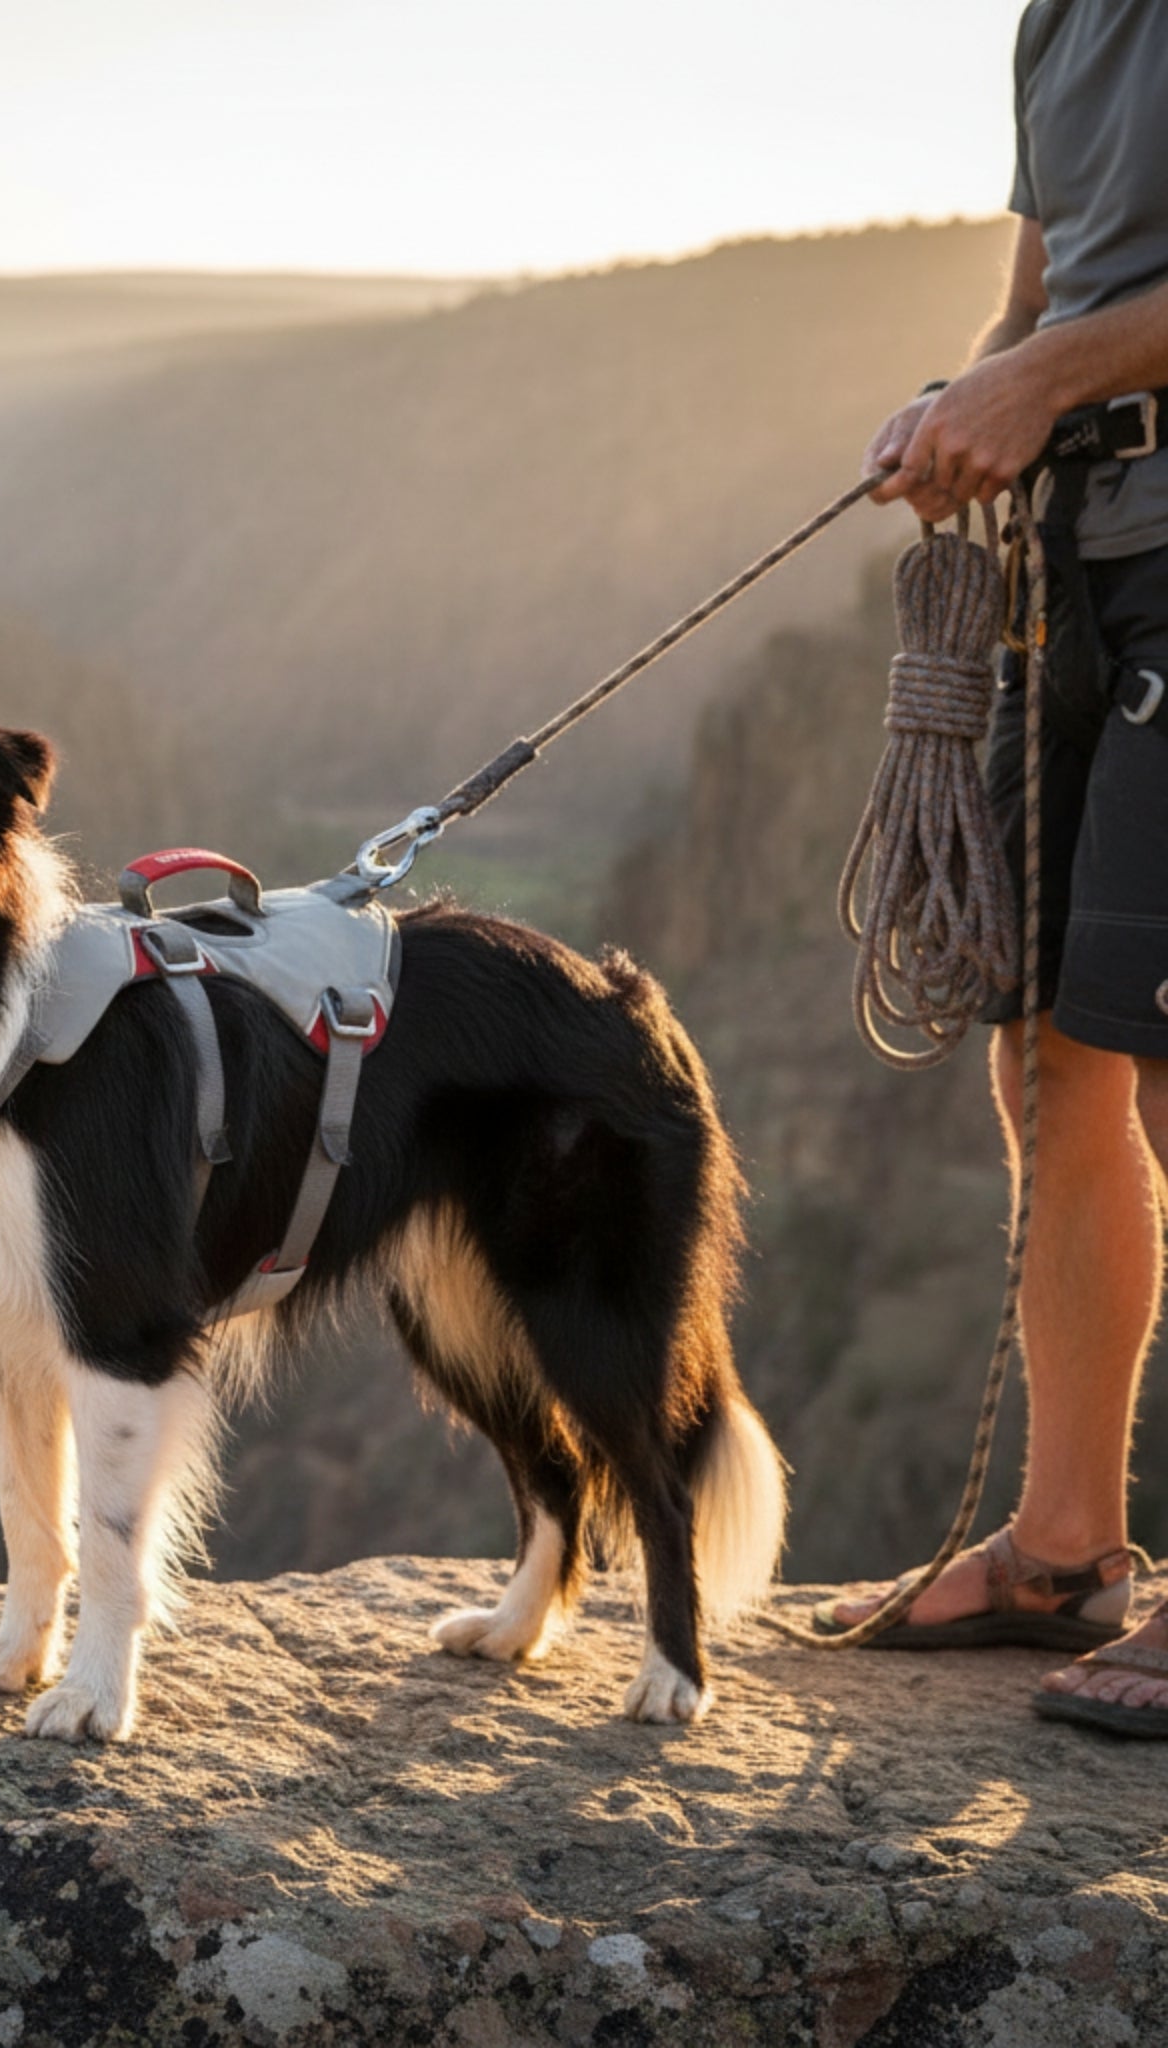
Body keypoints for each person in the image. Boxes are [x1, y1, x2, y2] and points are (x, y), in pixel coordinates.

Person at [825, 0, 1168, 1736]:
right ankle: (1063, 1551)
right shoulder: (1062, 17)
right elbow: (1041, 297)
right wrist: (969, 386)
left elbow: (1063, 347)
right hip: (1087, 568)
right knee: (1050, 1062)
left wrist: (1033, 382)